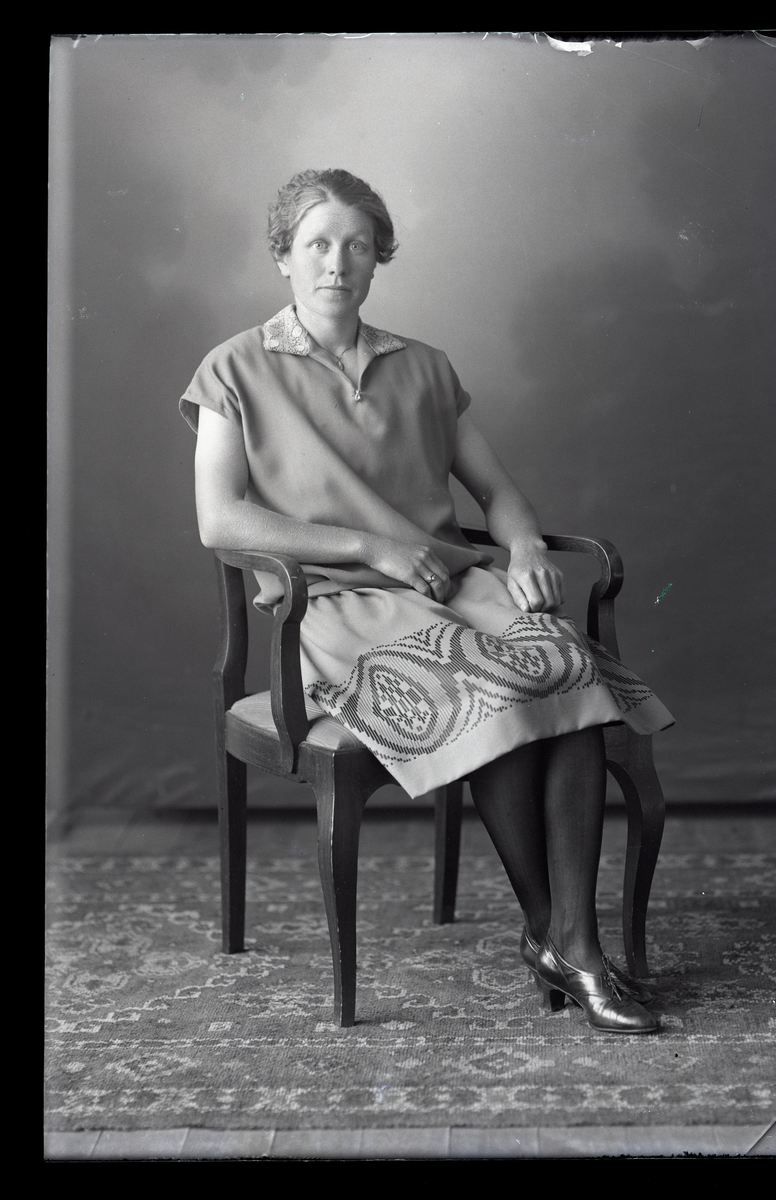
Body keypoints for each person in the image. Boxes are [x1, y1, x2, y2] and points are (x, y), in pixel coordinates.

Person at [181, 168, 674, 1034]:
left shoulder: (423, 367)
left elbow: (497, 491)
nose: (337, 262)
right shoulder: (234, 367)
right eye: (317, 244)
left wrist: (524, 547)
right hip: (339, 610)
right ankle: (565, 944)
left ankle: (569, 940)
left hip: (456, 590)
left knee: (568, 674)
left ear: (380, 258)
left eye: (357, 245)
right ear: (283, 257)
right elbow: (220, 520)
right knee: (499, 685)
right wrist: (372, 546)